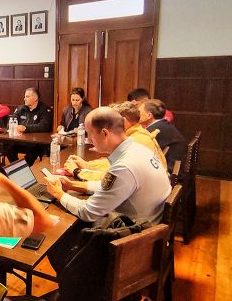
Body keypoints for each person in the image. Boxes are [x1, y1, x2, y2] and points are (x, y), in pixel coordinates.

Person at [43, 107, 171, 287]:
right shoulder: (137, 149)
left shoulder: (125, 166)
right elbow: (117, 187)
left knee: (54, 234)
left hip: (134, 242)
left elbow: (88, 212)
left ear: (104, 133)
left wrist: (59, 193)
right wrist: (76, 185)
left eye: (89, 134)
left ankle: (77, 289)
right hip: (150, 229)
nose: (88, 139)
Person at [64, 101, 167, 184]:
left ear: (122, 122)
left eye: (109, 122)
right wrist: (86, 165)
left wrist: (77, 172)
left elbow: (110, 177)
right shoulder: (136, 135)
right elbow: (110, 164)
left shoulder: (137, 142)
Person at [6, 88, 52, 166]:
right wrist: (15, 128)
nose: (24, 99)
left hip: (35, 143)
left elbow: (44, 126)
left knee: (31, 153)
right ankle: (19, 168)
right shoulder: (21, 108)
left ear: (35, 98)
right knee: (8, 149)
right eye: (25, 96)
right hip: (20, 140)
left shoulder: (45, 110)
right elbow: (10, 122)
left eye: (27, 97)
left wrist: (26, 128)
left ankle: (25, 170)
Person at [142, 99, 186, 172]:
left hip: (170, 170)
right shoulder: (163, 124)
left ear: (149, 115)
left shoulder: (155, 130)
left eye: (140, 111)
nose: (137, 114)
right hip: (174, 166)